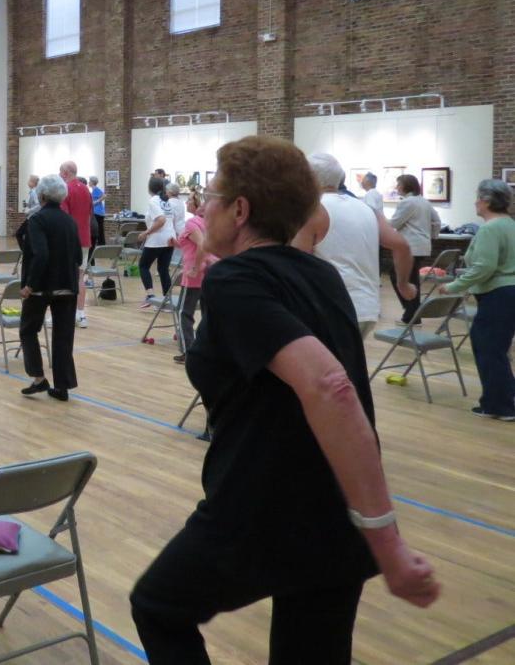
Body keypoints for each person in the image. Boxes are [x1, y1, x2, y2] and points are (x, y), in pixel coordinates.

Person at [129, 135, 439, 665]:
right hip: (336, 513)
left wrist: (389, 544)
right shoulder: (322, 275)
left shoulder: (234, 279)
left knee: (158, 605)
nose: (203, 206)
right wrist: (373, 527)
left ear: (241, 209)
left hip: (260, 510)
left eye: (213, 196)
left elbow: (332, 388)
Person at [294, 154, 415, 338]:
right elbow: (402, 245)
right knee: (347, 364)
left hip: (331, 310)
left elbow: (295, 264)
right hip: (367, 308)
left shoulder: (313, 211)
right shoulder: (367, 209)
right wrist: (403, 285)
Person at [440, 180, 515, 421]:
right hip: (507, 293)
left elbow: (484, 267)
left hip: (499, 294)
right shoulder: (510, 225)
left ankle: (499, 405)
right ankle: (504, 397)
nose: (475, 202)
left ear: (487, 201)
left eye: (478, 198)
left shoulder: (491, 228)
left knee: (489, 348)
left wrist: (453, 286)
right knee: (495, 348)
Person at [15, 174, 80, 402]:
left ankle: (38, 377)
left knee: (28, 330)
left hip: (41, 286)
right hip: (68, 285)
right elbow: (79, 257)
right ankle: (62, 386)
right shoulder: (69, 221)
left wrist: (29, 285)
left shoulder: (37, 220)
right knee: (63, 336)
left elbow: (40, 254)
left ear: (41, 195)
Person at [388, 175, 441, 324]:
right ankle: (413, 313)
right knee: (412, 278)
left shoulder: (407, 202)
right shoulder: (424, 201)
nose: (396, 187)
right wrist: (431, 237)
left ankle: (411, 314)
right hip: (422, 246)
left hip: (411, 246)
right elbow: (437, 221)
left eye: (398, 184)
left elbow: (395, 223)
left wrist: (377, 219)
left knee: (399, 277)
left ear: (406, 186)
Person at [173, 191, 213, 365]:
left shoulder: (192, 223)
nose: (187, 202)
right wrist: (175, 243)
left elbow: (202, 244)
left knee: (184, 313)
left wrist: (196, 268)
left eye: (189, 200)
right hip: (211, 272)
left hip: (195, 274)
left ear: (197, 205)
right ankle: (206, 349)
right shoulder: (209, 223)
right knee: (206, 313)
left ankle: (189, 351)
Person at [59, 161, 94, 327]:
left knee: (64, 277)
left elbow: (64, 219)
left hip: (69, 240)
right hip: (85, 239)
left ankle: (65, 316)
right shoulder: (86, 189)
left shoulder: (65, 189)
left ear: (65, 173)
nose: (59, 175)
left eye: (60, 172)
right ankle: (81, 315)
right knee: (80, 276)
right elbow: (89, 213)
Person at [137, 177, 176, 306]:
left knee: (143, 266)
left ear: (149, 188)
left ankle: (150, 295)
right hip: (169, 239)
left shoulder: (153, 201)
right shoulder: (166, 201)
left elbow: (161, 220)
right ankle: (167, 300)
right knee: (163, 269)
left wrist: (146, 233)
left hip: (156, 240)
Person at [89, 174, 106, 248]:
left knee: (99, 229)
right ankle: (101, 244)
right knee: (99, 228)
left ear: (92, 182)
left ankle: (101, 244)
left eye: (89, 181)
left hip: (97, 212)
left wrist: (94, 203)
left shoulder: (96, 190)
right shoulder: (94, 190)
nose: (88, 183)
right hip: (98, 212)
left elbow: (103, 196)